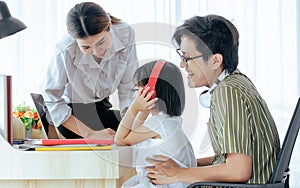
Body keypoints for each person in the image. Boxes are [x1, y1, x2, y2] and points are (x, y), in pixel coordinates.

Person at [146, 15, 281, 185]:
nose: (182, 65)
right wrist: (190, 165)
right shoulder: (238, 81)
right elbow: (233, 159)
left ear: (215, 60)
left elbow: (238, 171)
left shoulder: (227, 92)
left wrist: (179, 174)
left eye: (187, 58)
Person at [40, 2, 138, 139]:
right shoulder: (65, 49)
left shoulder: (125, 33)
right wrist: (90, 134)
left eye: (101, 42)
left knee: (134, 131)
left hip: (103, 107)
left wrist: (130, 125)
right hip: (74, 117)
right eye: (86, 47)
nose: (97, 52)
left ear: (109, 26)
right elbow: (50, 96)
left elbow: (128, 88)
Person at [115, 60, 197, 187]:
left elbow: (121, 139)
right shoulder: (167, 121)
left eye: (138, 90)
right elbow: (133, 131)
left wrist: (135, 107)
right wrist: (144, 108)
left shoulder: (159, 124)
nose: (136, 95)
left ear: (152, 92)